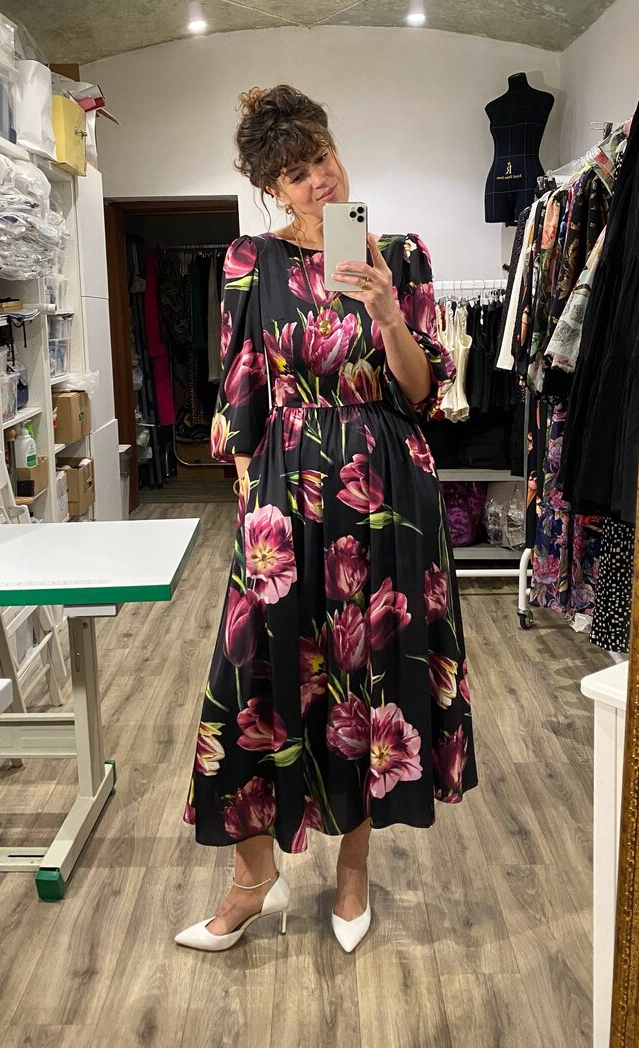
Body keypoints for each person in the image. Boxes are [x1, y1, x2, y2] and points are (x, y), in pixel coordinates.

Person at [176, 84, 478, 954]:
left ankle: (352, 874)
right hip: (285, 487)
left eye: (323, 159)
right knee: (251, 675)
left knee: (368, 677)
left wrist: (387, 314)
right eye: (297, 173)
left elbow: (421, 393)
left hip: (387, 483)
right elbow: (241, 383)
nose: (320, 181)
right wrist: (247, 496)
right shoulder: (249, 259)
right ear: (271, 186)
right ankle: (252, 879)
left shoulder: (400, 255)